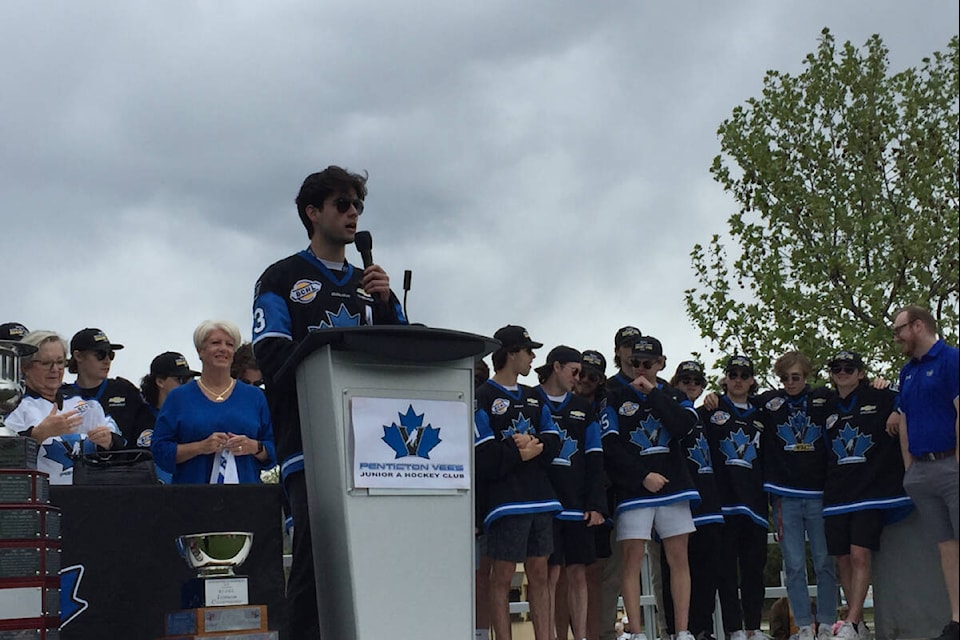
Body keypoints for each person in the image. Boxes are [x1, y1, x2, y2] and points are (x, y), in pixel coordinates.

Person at [252, 166, 407, 639]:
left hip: (375, 446)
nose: (353, 213)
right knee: (315, 562)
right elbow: (272, 354)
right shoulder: (281, 278)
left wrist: (385, 304)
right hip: (311, 441)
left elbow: (405, 357)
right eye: (342, 204)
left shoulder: (372, 283)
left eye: (358, 205)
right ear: (312, 212)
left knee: (374, 557)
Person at [600, 335, 698, 640]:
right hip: (635, 491)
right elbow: (610, 446)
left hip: (674, 487)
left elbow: (683, 428)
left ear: (660, 363)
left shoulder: (674, 396)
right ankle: (638, 632)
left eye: (647, 363)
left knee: (678, 559)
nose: (640, 368)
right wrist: (642, 476)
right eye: (635, 363)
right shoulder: (614, 397)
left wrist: (654, 394)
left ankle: (681, 631)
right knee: (631, 558)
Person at [475, 324, 561, 640]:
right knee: (503, 575)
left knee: (540, 572)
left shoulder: (534, 397)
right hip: (506, 502)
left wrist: (530, 446)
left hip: (541, 497)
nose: (533, 357)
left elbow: (553, 440)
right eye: (528, 351)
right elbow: (484, 454)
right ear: (511, 354)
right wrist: (516, 451)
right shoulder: (482, 396)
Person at [821, 350, 911, 640]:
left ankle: (850, 622)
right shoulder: (826, 406)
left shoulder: (879, 394)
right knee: (843, 558)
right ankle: (857, 623)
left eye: (850, 367)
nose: (843, 372)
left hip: (870, 492)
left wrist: (897, 410)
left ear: (861, 373)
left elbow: (907, 394)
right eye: (837, 368)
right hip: (837, 494)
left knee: (861, 555)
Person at [892, 305, 959, 640]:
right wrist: (909, 469)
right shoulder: (907, 372)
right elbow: (903, 418)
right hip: (922, 470)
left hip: (952, 466)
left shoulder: (952, 359)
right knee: (947, 546)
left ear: (918, 326)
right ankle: (958, 619)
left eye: (899, 329)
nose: (897, 337)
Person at [759, 351, 836, 640]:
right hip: (784, 495)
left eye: (796, 377)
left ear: (806, 376)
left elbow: (853, 396)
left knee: (825, 560)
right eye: (785, 378)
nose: (791, 383)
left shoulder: (823, 399)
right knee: (792, 564)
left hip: (818, 493)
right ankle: (803, 624)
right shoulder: (769, 402)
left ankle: (827, 622)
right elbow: (737, 402)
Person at [535, 345, 606, 640]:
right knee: (549, 575)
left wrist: (596, 503)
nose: (578, 378)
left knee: (578, 572)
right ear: (556, 367)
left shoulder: (584, 408)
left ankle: (581, 637)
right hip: (544, 502)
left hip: (577, 503)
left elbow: (594, 457)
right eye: (574, 371)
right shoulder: (531, 399)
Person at [152, 320, 275, 484]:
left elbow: (274, 449)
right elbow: (160, 451)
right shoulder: (178, 398)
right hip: (191, 500)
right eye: (216, 343)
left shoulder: (255, 397)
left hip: (247, 499)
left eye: (230, 344)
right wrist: (200, 447)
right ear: (200, 351)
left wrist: (255, 447)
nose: (223, 348)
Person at [702, 356, 768, 640]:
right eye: (733, 374)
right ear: (725, 378)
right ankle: (734, 629)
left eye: (744, 374)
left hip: (754, 504)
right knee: (725, 572)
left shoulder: (764, 413)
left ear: (752, 380)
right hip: (724, 504)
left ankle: (753, 628)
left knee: (754, 570)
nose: (738, 379)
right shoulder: (711, 410)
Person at [4, 330, 122, 484]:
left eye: (60, 362)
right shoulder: (13, 406)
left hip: (89, 497)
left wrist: (108, 442)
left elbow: (121, 448)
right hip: (37, 499)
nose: (55, 369)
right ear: (25, 367)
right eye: (46, 363)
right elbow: (5, 457)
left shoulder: (85, 402)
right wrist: (36, 435)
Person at [662, 358, 723, 640]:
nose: (691, 385)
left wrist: (717, 399)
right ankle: (676, 629)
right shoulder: (669, 413)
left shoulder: (707, 414)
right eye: (685, 381)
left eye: (696, 381)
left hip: (709, 503)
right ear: (675, 383)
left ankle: (703, 629)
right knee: (672, 570)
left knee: (707, 573)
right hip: (678, 501)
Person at [65, 327, 153, 448]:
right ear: (78, 356)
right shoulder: (62, 395)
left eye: (110, 354)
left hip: (122, 465)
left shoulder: (125, 391)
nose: (107, 361)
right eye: (100, 355)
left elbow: (147, 431)